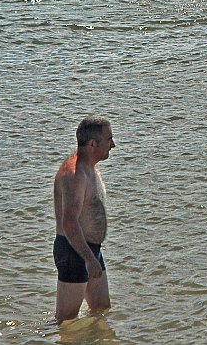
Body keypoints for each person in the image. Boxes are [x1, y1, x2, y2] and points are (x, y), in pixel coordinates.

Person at [53, 117, 116, 323]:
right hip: (75, 252)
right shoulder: (75, 175)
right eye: (109, 139)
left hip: (90, 249)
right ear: (92, 144)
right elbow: (69, 223)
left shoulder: (90, 165)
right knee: (66, 321)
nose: (113, 145)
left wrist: (92, 256)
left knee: (101, 308)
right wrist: (89, 259)